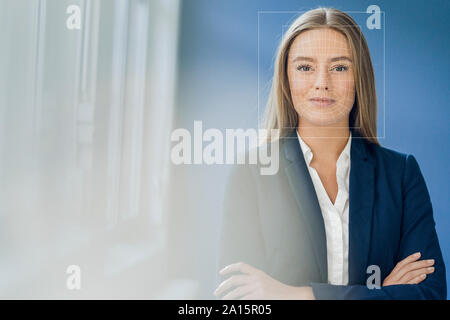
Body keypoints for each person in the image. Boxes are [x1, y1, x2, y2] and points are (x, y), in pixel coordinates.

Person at [214, 7, 446, 300]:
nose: (322, 82)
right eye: (305, 67)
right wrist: (379, 293)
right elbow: (240, 300)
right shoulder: (252, 174)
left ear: (359, 78)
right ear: (286, 80)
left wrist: (298, 295)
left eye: (339, 67)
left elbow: (430, 294)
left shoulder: (401, 174)